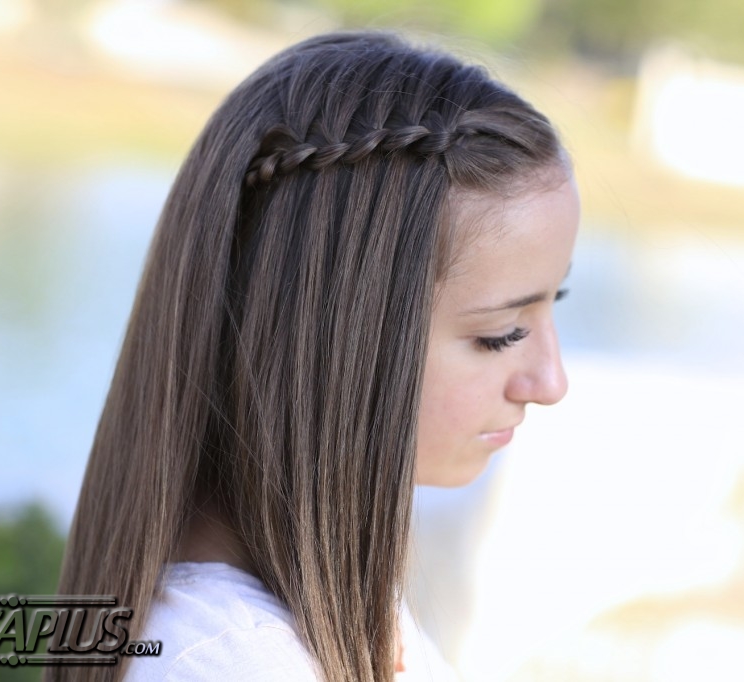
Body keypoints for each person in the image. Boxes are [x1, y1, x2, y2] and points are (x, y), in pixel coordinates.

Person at [50, 29, 578, 682]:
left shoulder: (324, 607)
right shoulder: (224, 664)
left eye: (555, 302)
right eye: (500, 334)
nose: (549, 382)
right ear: (336, 335)